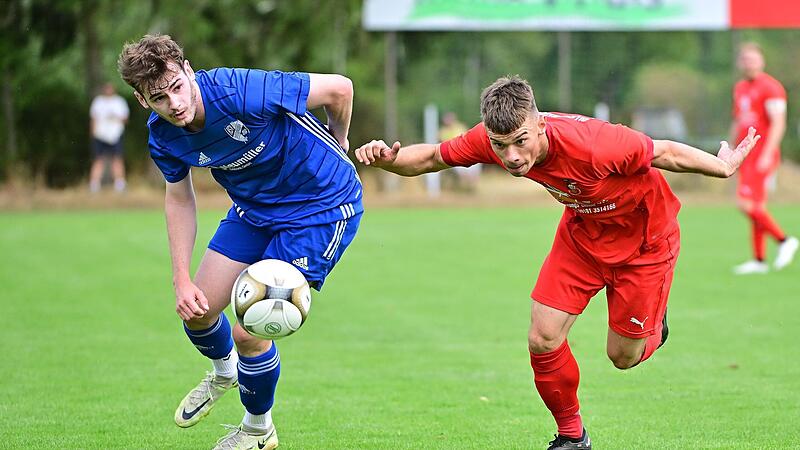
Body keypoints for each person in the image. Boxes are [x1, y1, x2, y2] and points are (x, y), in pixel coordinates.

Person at [355, 75, 759, 450]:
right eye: (500, 146)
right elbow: (429, 159)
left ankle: (656, 323)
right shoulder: (494, 138)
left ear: (541, 125)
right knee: (542, 337)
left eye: (520, 141)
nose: (511, 156)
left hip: (645, 243)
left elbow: (666, 152)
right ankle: (572, 437)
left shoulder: (596, 142)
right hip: (582, 236)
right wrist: (388, 160)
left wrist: (722, 166)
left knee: (623, 358)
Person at [118, 34, 362, 450]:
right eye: (159, 98)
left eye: (177, 86)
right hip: (255, 209)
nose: (174, 103)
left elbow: (340, 88)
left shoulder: (241, 90)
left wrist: (339, 141)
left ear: (189, 70)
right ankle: (224, 370)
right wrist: (180, 278)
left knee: (250, 330)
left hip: (321, 206)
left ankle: (257, 429)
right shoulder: (164, 136)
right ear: (143, 101)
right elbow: (179, 197)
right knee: (197, 311)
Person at [730, 42, 798, 274]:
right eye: (745, 59)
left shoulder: (771, 87)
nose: (749, 63)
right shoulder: (740, 88)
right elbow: (739, 121)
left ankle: (784, 240)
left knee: (745, 204)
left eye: (753, 58)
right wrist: (731, 149)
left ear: (762, 61)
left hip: (761, 153)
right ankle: (759, 260)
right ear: (741, 63)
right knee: (756, 206)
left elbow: (779, 122)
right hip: (745, 154)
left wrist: (768, 154)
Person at [89, 82, 129, 193]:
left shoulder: (119, 102)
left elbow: (125, 119)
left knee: (117, 159)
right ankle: (94, 185)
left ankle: (120, 184)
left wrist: (115, 117)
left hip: (115, 134)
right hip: (100, 135)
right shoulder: (98, 102)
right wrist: (92, 134)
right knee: (98, 160)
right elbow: (93, 119)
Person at [439, 112, 482, 193]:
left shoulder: (460, 127)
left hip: (468, 154)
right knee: (461, 170)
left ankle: (471, 188)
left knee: (475, 168)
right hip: (454, 156)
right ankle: (465, 188)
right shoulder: (443, 131)